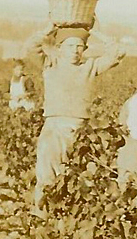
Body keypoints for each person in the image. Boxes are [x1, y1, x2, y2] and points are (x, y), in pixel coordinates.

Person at [25, 23, 125, 210]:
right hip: (54, 128)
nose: (75, 51)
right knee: (46, 175)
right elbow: (31, 47)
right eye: (70, 46)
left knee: (76, 179)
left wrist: (93, 31)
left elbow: (118, 53)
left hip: (80, 131)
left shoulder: (90, 66)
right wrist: (48, 28)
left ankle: (66, 220)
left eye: (80, 46)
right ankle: (42, 218)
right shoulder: (50, 63)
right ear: (60, 48)